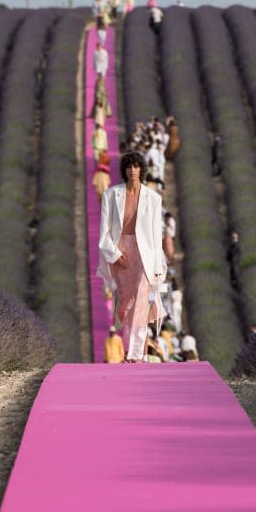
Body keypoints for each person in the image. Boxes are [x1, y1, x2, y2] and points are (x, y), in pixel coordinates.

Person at [97, 150, 167, 363]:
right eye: (129, 166)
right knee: (125, 306)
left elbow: (156, 236)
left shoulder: (153, 198)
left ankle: (136, 353)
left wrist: (156, 267)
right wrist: (114, 254)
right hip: (121, 252)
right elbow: (104, 232)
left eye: (136, 166)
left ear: (141, 169)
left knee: (141, 302)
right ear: (124, 170)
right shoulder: (111, 195)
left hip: (144, 255)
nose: (132, 170)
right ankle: (130, 348)